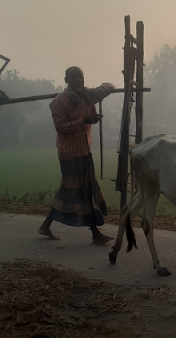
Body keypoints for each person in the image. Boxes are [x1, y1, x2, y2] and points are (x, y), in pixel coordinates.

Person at [39, 66, 115, 244]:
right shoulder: (59, 101)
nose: (77, 81)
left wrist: (107, 86)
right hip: (69, 153)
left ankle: (45, 226)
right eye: (73, 78)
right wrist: (85, 121)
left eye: (80, 77)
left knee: (70, 192)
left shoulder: (88, 95)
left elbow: (107, 87)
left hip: (84, 150)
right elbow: (60, 127)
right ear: (66, 80)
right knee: (84, 193)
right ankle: (95, 234)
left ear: (84, 79)